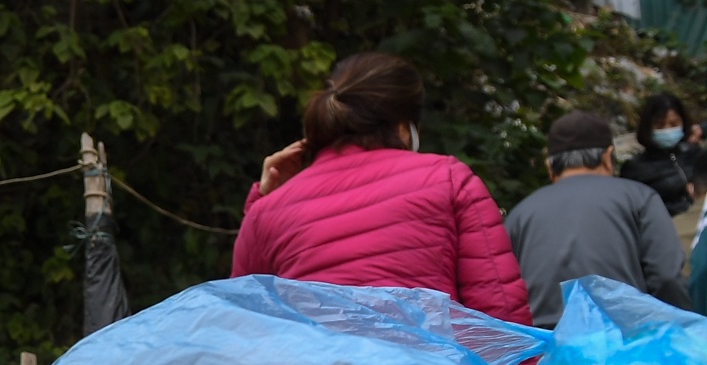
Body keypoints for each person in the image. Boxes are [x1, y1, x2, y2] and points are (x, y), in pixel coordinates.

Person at [232, 52, 533, 325]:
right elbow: (499, 312)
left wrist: (264, 204)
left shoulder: (267, 210)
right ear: (404, 126)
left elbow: (243, 322)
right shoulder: (448, 179)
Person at [505, 111, 689, 328]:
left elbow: (503, 295)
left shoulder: (520, 215)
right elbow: (666, 277)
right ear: (607, 156)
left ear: (550, 166)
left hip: (548, 351)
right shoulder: (639, 198)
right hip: (627, 346)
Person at [618, 92, 702, 218]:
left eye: (674, 124)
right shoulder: (635, 169)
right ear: (649, 127)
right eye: (660, 125)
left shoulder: (695, 153)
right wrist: (684, 204)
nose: (667, 130)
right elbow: (633, 211)